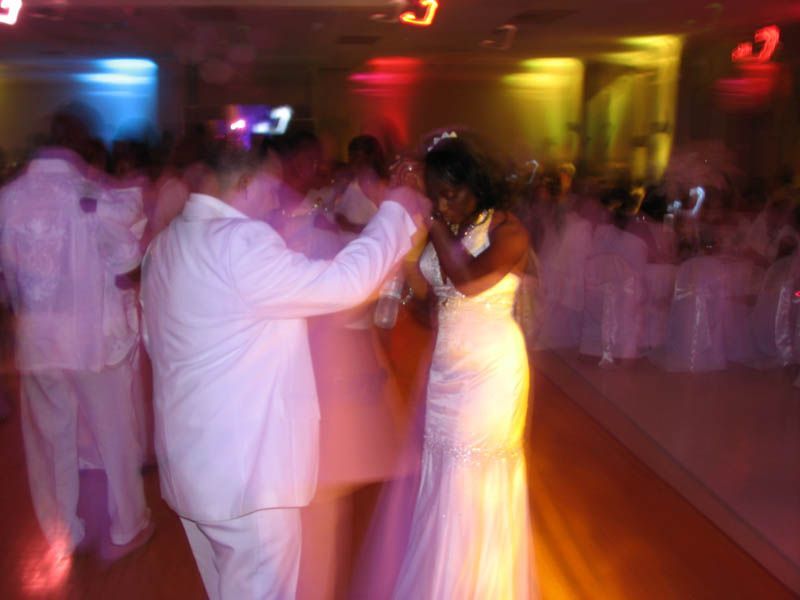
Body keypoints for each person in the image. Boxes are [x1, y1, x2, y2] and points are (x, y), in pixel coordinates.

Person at [140, 144, 426, 599]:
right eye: (270, 188)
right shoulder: (237, 241)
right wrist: (394, 210)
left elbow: (157, 345)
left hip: (190, 469)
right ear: (245, 184)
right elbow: (344, 285)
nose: (276, 199)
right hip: (245, 477)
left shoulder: (165, 244)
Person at [0, 111, 151, 559]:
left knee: (51, 441)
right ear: (80, 146)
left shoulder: (6, 198)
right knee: (115, 434)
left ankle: (62, 530)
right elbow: (127, 265)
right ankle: (128, 524)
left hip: (37, 340)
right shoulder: (91, 194)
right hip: (92, 340)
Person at [391, 135, 536, 598]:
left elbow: (470, 281)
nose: (443, 203)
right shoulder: (444, 228)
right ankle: (442, 581)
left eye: (451, 192)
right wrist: (408, 277)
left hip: (492, 369)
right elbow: (435, 299)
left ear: (478, 186)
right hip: (448, 365)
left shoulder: (509, 232)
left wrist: (433, 225)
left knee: (473, 472)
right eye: (435, 194)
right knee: (444, 472)